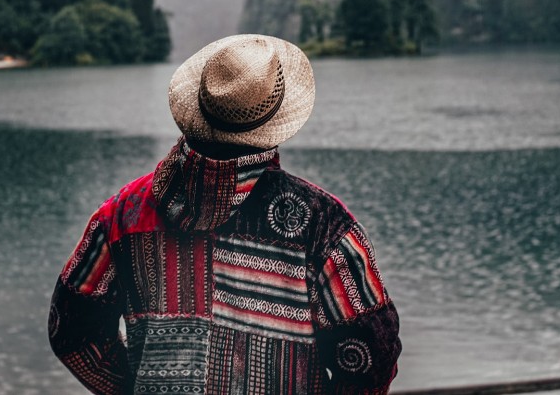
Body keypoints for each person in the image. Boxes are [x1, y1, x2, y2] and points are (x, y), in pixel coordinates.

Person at [48, 34, 401, 393]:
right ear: (273, 123)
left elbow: (72, 331)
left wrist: (137, 387)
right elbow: (372, 355)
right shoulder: (322, 227)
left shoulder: (123, 213)